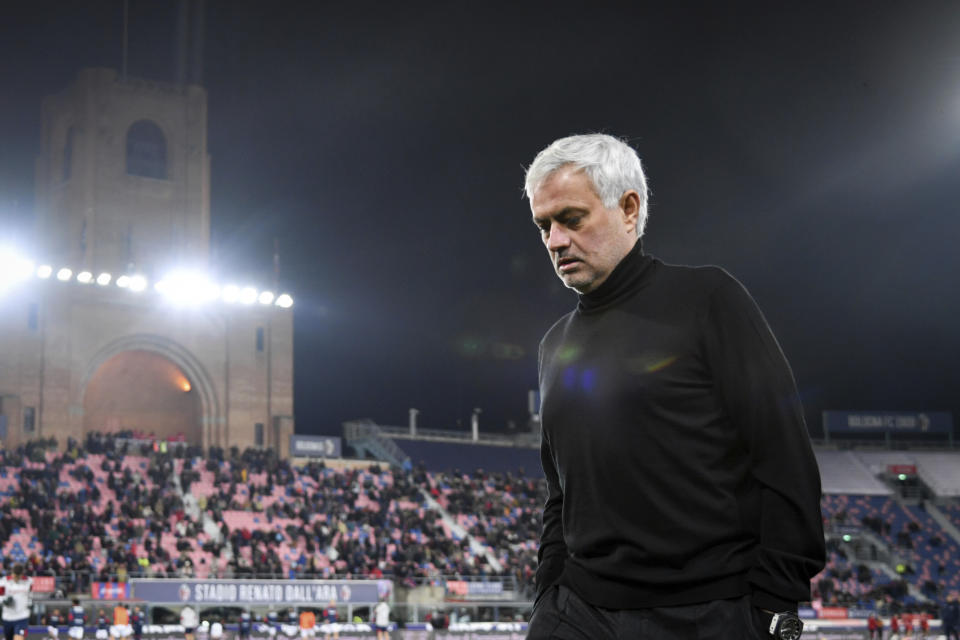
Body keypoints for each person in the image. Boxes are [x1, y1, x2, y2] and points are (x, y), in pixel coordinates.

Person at [523, 134, 826, 640]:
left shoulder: (708, 300)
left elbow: (784, 458)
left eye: (571, 219)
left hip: (702, 611)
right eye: (544, 226)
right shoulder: (554, 344)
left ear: (628, 208)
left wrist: (773, 604)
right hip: (576, 610)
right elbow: (562, 493)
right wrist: (546, 593)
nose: (555, 241)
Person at [0, 565, 33, 640]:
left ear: (22, 574)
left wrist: (30, 603)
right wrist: (4, 600)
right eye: (15, 576)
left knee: (18, 638)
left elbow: (30, 594)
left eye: (18, 576)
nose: (16, 578)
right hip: (7, 617)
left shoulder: (29, 581)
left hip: (22, 617)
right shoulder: (3, 582)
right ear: (12, 573)